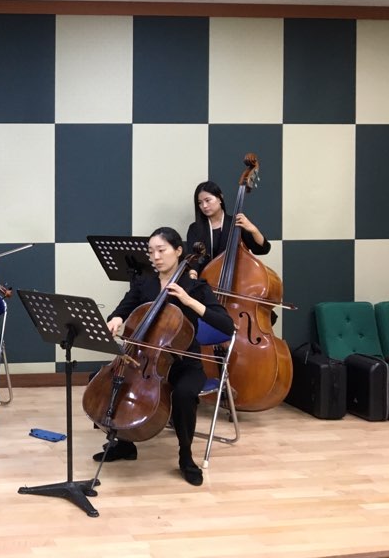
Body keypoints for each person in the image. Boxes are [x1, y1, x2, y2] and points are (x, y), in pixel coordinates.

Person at [93, 227, 233, 486]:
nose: (155, 257)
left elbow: (226, 325)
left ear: (178, 251)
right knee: (108, 381)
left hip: (184, 363)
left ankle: (185, 456)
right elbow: (125, 307)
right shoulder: (144, 282)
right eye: (151, 252)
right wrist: (116, 319)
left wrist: (189, 301)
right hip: (144, 360)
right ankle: (124, 443)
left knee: (184, 394)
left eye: (161, 250)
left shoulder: (196, 287)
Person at [187, 180, 269, 274]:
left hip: (235, 278)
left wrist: (253, 229)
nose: (204, 206)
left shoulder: (236, 223)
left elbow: (263, 249)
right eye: (200, 203)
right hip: (205, 279)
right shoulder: (194, 228)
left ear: (220, 198)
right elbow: (193, 259)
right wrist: (192, 274)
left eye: (208, 200)